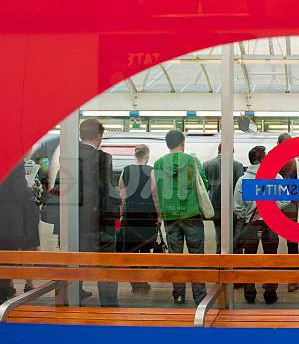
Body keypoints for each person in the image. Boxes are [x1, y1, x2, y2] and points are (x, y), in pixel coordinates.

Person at [153, 130, 209, 305]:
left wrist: (160, 214)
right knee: (196, 256)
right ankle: (199, 296)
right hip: (191, 214)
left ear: (167, 143)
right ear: (182, 143)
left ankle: (178, 294)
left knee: (175, 257)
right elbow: (204, 185)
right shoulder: (192, 161)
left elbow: (155, 191)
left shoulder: (158, 163)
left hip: (170, 215)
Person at [233, 146, 289, 304]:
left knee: (250, 258)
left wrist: (246, 216)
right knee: (270, 258)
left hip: (251, 225)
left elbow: (237, 206)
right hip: (271, 224)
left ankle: (249, 293)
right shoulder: (276, 178)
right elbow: (285, 200)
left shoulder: (243, 180)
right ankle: (270, 294)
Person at [78, 119, 120, 307]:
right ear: (99, 136)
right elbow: (107, 191)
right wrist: (116, 217)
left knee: (75, 261)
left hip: (75, 224)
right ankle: (109, 303)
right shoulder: (104, 158)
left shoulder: (69, 155)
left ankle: (73, 297)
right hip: (100, 223)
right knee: (106, 265)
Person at [118, 144, 161, 293]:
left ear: (135, 155)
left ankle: (135, 282)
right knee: (144, 249)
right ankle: (143, 280)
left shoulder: (125, 170)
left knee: (131, 250)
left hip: (130, 215)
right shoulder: (152, 172)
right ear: (147, 156)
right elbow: (155, 197)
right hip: (147, 215)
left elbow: (122, 196)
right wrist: (159, 215)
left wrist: (122, 214)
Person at [0, 162, 40, 303]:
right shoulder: (14, 162)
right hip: (7, 222)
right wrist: (29, 186)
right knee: (5, 260)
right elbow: (19, 192)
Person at [202, 143, 244, 254]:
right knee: (235, 239)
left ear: (218, 150)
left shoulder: (206, 165)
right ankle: (234, 265)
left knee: (220, 239)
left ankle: (220, 264)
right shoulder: (238, 166)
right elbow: (240, 190)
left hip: (215, 209)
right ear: (232, 152)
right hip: (233, 210)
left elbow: (204, 189)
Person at [276, 133, 299, 292]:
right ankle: (293, 281)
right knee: (293, 245)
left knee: (270, 245)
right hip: (292, 208)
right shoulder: (297, 162)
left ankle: (269, 282)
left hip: (274, 206)